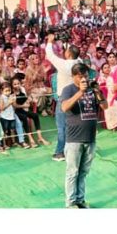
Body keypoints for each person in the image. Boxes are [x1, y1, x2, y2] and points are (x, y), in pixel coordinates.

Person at [60, 63, 108, 209]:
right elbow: (64, 107)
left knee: (83, 172)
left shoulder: (92, 88)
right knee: (72, 172)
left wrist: (98, 92)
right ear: (73, 76)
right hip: (74, 139)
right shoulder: (68, 89)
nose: (84, 79)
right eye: (80, 76)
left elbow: (105, 106)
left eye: (86, 76)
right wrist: (80, 92)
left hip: (90, 138)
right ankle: (70, 203)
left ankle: (80, 200)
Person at [46, 34, 81, 162]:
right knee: (74, 124)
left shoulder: (63, 65)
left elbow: (50, 55)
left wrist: (50, 41)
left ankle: (60, 152)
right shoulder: (80, 62)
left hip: (64, 98)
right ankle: (73, 149)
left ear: (69, 54)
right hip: (77, 97)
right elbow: (75, 55)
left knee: (62, 127)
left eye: (66, 51)